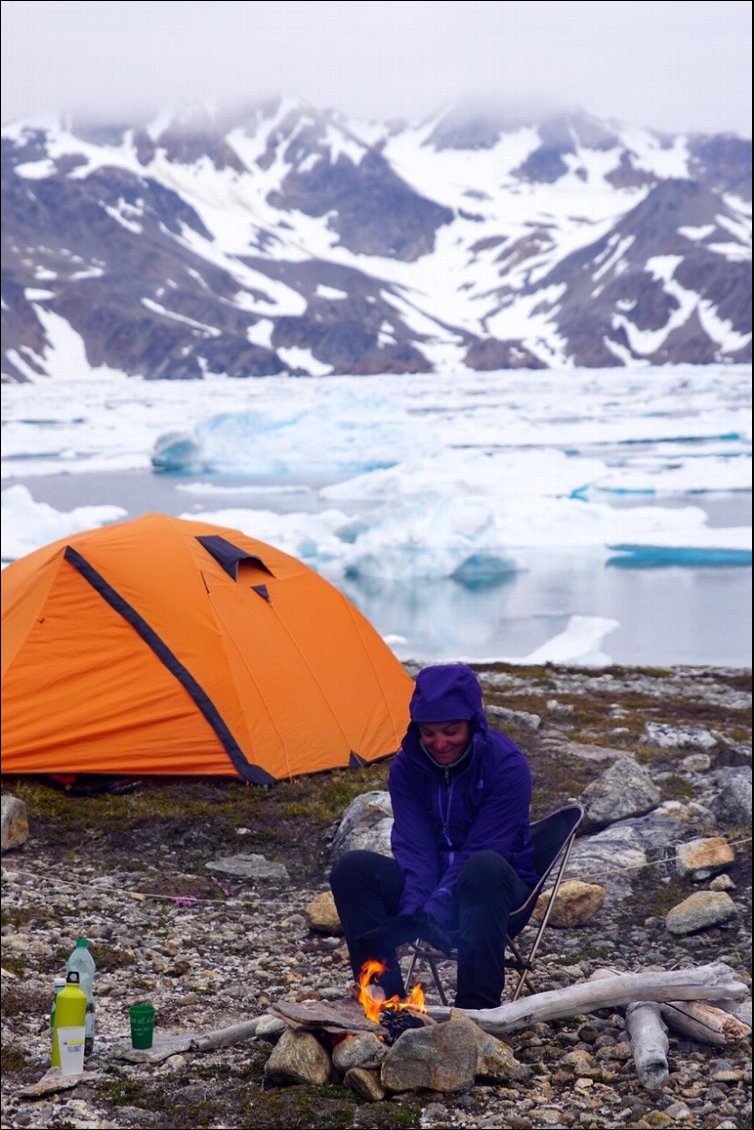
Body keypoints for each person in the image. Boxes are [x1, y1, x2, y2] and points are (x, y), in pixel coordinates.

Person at [330, 663, 537, 1010]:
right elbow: (416, 847)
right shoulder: (407, 768)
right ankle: (385, 1003)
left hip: (495, 894)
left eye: (451, 731)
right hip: (429, 887)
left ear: (472, 722)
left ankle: (476, 1013)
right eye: (428, 733)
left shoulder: (506, 766)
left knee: (483, 867)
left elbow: (482, 849)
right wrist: (413, 913)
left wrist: (433, 911)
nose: (439, 743)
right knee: (353, 870)